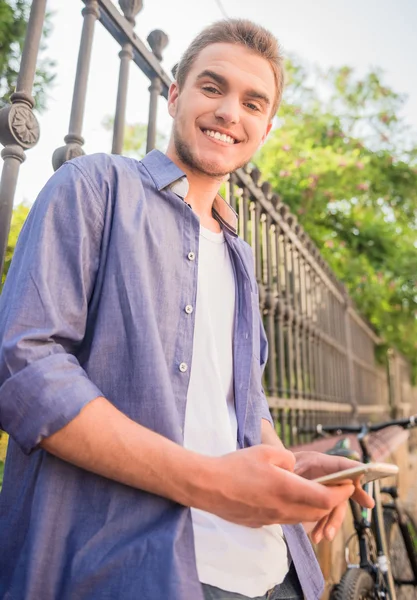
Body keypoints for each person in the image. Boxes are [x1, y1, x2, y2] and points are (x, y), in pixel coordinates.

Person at [0, 19, 373, 600]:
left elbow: (241, 408)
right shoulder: (93, 187)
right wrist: (208, 484)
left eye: (253, 103)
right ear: (175, 95)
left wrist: (293, 471)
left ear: (266, 128)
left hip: (275, 572)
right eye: (212, 87)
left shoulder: (242, 259)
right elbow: (27, 370)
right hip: (135, 572)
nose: (230, 112)